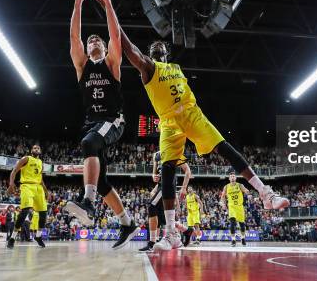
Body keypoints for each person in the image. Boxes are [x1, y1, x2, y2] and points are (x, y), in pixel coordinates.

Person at [118, 33, 289, 251]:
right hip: (169, 122)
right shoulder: (149, 68)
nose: (157, 47)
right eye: (153, 47)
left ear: (167, 54)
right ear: (150, 54)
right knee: (167, 169)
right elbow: (130, 48)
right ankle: (172, 234)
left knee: (225, 148)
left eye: (161, 47)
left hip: (191, 113)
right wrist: (108, 9)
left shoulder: (175, 68)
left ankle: (265, 193)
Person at [63, 0, 138, 249]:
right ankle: (127, 222)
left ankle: (89, 203)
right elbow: (73, 35)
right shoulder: (82, 66)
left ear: (105, 48)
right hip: (92, 122)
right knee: (103, 181)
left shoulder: (111, 63)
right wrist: (78, 2)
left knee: (88, 143)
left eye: (98, 39)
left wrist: (106, 0)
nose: (93, 40)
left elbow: (116, 34)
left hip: (112, 120)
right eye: (90, 39)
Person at [139, 151, 193, 252]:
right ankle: (186, 230)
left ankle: (152, 242)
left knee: (151, 206)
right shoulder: (156, 154)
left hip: (168, 184)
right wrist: (154, 176)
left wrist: (184, 188)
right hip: (160, 185)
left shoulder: (174, 150)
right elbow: (154, 173)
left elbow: (188, 171)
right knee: (162, 217)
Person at [7, 144, 49, 248]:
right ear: (31, 150)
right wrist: (11, 184)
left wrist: (46, 190)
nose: (36, 149)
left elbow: (40, 178)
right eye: (34, 148)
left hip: (38, 188)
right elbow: (14, 171)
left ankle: (38, 236)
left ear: (40, 151)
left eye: (38, 148)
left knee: (43, 213)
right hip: (27, 186)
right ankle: (12, 237)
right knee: (24, 212)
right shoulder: (26, 158)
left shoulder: (40, 162)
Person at [221, 171, 250, 247]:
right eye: (231, 176)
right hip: (232, 207)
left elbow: (245, 190)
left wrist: (247, 192)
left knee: (242, 225)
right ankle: (233, 240)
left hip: (240, 207)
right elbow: (222, 196)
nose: (233, 177)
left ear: (236, 178)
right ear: (229, 178)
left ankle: (243, 238)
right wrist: (223, 204)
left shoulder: (240, 185)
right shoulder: (226, 187)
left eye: (234, 176)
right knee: (232, 223)